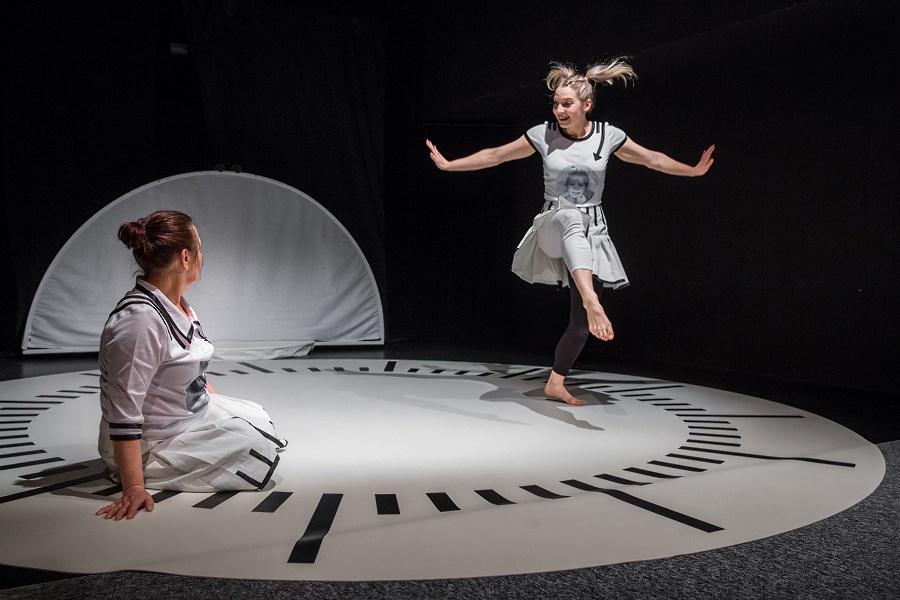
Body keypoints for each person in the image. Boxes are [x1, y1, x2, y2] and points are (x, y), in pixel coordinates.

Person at [426, 57, 715, 406]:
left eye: (566, 104)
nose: (559, 110)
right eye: (556, 104)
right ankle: (593, 301)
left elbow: (651, 159)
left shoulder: (608, 136)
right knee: (570, 220)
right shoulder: (543, 134)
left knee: (580, 325)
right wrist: (450, 165)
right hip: (553, 223)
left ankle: (556, 381)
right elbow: (496, 156)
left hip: (592, 231)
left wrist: (692, 171)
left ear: (586, 105)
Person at [95, 209, 286, 520]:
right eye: (199, 247)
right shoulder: (139, 321)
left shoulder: (173, 303)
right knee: (255, 451)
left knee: (258, 419)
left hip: (187, 416)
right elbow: (123, 414)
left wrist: (221, 409)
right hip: (155, 441)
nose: (201, 256)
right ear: (185, 257)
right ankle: (140, 468)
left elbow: (187, 367)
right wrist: (133, 486)